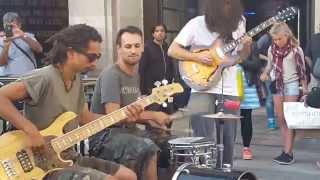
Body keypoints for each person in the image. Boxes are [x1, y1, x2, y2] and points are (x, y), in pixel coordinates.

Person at [0, 24, 143, 180]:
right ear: (71, 53)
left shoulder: (77, 81)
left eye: (98, 57)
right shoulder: (44, 77)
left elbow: (86, 119)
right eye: (91, 57)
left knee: (128, 176)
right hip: (39, 163)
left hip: (67, 156)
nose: (95, 62)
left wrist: (122, 116)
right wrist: (31, 131)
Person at [168, 0, 252, 166]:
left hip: (230, 88)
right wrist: (197, 57)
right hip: (201, 86)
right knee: (201, 138)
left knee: (229, 138)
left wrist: (247, 46)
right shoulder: (196, 24)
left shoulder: (240, 22)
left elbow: (242, 57)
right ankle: (201, 173)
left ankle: (225, 172)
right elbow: (173, 50)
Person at [90, 26, 170, 180]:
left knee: (166, 142)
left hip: (128, 130)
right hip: (104, 136)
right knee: (147, 148)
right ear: (118, 49)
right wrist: (153, 115)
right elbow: (114, 115)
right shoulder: (111, 74)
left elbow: (134, 110)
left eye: (137, 46)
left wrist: (152, 121)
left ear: (142, 49)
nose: (133, 51)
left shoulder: (136, 74)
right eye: (128, 46)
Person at [260, 22, 308, 165]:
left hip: (292, 85)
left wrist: (305, 90)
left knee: (289, 119)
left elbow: (302, 72)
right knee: (281, 119)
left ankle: (288, 152)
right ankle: (285, 150)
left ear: (287, 35)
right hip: (277, 84)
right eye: (274, 39)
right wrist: (265, 73)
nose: (276, 42)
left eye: (279, 39)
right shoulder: (271, 49)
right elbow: (270, 65)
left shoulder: (296, 50)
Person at [139, 23, 176, 123]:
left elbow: (171, 67)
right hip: (152, 89)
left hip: (167, 89)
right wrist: (143, 92)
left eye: (162, 31)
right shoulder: (147, 48)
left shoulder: (167, 47)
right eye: (157, 31)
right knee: (153, 118)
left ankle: (166, 138)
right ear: (153, 33)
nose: (160, 33)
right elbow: (141, 70)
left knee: (168, 117)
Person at [238, 42, 266, 160]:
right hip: (227, 85)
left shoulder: (250, 44)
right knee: (226, 118)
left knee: (246, 117)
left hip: (246, 85)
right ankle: (223, 147)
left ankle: (246, 147)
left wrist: (240, 61)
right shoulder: (223, 41)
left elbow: (256, 64)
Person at [0, 12, 42, 77]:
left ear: (19, 25)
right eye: (8, 26)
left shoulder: (28, 36)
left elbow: (39, 49)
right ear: (4, 26)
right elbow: (2, 63)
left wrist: (22, 36)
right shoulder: (1, 40)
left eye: (13, 26)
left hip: (29, 76)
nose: (11, 29)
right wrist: (6, 45)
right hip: (9, 79)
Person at [257, 33, 278, 129]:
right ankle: (271, 121)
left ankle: (282, 120)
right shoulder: (265, 38)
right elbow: (255, 52)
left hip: (279, 71)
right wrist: (268, 59)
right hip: (267, 70)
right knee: (270, 97)